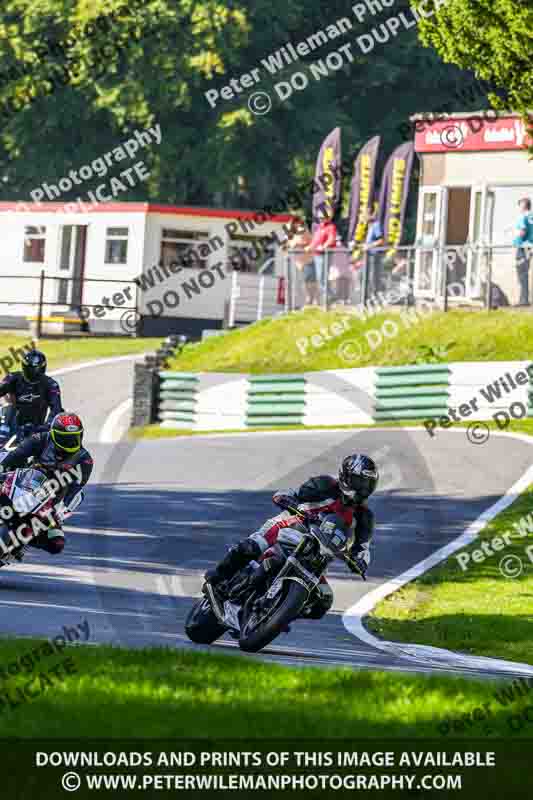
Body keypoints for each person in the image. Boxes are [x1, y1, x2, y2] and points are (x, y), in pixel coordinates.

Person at [205, 454, 379, 619]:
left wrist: (360, 562)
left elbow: (363, 548)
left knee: (323, 602)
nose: (362, 487)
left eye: (367, 483)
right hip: (290, 526)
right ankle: (218, 577)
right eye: (359, 481)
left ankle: (277, 614)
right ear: (346, 476)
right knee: (251, 547)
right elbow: (290, 494)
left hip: (319, 556)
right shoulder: (325, 485)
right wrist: (287, 500)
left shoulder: (365, 517)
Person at [0, 412, 93, 559]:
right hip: (24, 483)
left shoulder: (84, 459)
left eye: (74, 437)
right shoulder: (41, 439)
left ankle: (23, 542)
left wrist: (60, 510)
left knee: (57, 544)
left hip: (49, 502)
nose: (70, 442)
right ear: (54, 434)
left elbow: (75, 490)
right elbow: (15, 455)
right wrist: (2, 469)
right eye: (65, 438)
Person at [0, 349, 63, 440]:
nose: (32, 372)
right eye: (30, 368)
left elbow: (56, 409)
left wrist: (46, 427)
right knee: (7, 406)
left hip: (36, 430)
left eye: (34, 369)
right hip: (11, 426)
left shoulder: (50, 385)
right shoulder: (13, 378)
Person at [305, 216, 337, 304]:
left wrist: (324, 246)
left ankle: (331, 296)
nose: (320, 219)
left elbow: (331, 239)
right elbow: (315, 240)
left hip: (324, 255)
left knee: (322, 277)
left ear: (328, 218)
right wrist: (310, 247)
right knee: (320, 278)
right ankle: (329, 297)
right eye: (319, 218)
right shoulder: (319, 227)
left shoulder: (331, 227)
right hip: (317, 255)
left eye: (322, 217)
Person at [513, 197, 533, 306]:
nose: (519, 208)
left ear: (524, 206)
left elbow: (522, 231)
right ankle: (524, 299)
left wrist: (515, 242)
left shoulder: (523, 217)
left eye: (520, 205)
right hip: (530, 247)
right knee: (525, 273)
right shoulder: (531, 216)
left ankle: (524, 300)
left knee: (521, 274)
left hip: (522, 248)